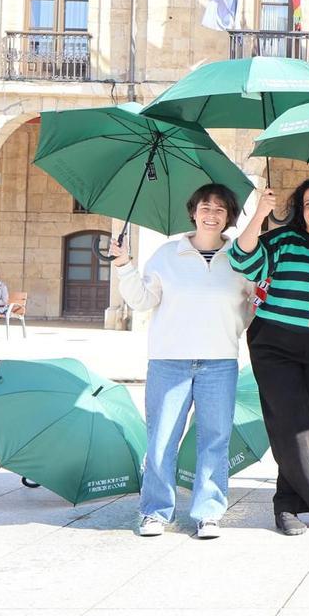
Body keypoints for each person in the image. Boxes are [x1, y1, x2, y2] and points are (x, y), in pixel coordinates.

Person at [113, 184, 253, 539]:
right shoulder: (166, 254)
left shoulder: (239, 258)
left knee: (215, 439)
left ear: (229, 217)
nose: (212, 214)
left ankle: (208, 512)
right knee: (161, 439)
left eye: (221, 209)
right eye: (206, 206)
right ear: (194, 212)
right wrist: (124, 265)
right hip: (169, 362)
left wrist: (231, 330)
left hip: (219, 362)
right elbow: (142, 301)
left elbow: (251, 304)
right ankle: (155, 511)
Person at [230, 176, 309, 536]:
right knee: (291, 424)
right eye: (308, 204)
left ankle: (288, 498)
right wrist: (259, 215)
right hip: (275, 343)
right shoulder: (283, 239)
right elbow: (242, 259)